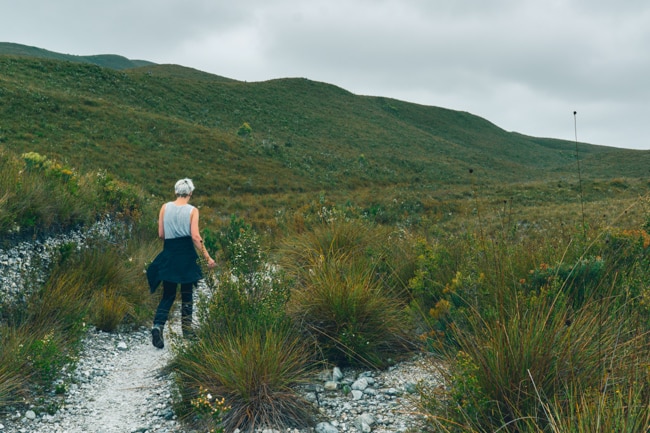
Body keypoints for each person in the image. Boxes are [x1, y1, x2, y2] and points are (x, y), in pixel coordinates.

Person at [146, 178, 216, 349]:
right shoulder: (193, 211)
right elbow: (195, 237)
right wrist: (208, 258)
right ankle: (187, 330)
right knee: (187, 293)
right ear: (190, 193)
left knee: (168, 295)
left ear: (175, 192)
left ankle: (157, 326)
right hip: (186, 255)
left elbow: (161, 234)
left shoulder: (165, 207)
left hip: (169, 253)